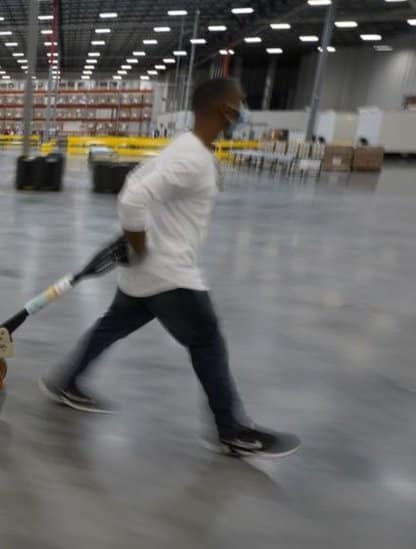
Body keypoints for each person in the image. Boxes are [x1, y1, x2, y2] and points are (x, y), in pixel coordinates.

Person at [39, 78, 299, 459]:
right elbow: (132, 198)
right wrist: (140, 244)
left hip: (148, 272)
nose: (244, 110)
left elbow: (135, 181)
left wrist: (138, 247)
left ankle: (66, 381)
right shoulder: (189, 155)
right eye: (240, 103)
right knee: (206, 339)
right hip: (169, 273)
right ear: (223, 110)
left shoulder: (187, 147)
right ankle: (230, 428)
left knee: (111, 327)